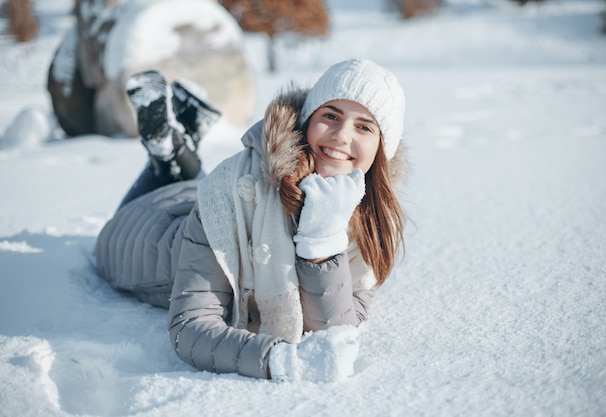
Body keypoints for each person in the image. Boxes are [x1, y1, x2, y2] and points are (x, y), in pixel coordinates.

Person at [95, 58, 407, 382]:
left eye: (364, 127)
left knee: (187, 182)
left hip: (194, 196)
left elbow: (337, 333)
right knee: (160, 196)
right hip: (144, 231)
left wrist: (323, 241)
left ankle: (177, 148)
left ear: (382, 149)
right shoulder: (232, 189)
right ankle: (171, 153)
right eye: (331, 116)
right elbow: (191, 326)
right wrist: (278, 361)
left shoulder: (372, 220)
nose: (342, 136)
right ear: (306, 120)